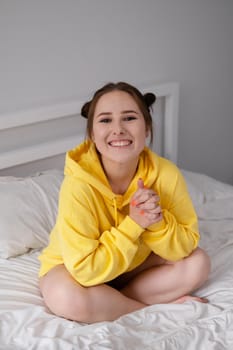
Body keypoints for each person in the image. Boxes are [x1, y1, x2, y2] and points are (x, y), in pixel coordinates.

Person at [38, 81, 210, 323]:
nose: (118, 129)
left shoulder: (166, 174)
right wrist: (134, 223)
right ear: (92, 135)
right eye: (105, 120)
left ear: (147, 128)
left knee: (198, 263)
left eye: (129, 118)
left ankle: (111, 302)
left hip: (133, 266)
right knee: (63, 296)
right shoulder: (78, 185)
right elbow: (86, 272)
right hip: (78, 271)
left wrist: (156, 221)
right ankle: (144, 311)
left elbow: (184, 247)